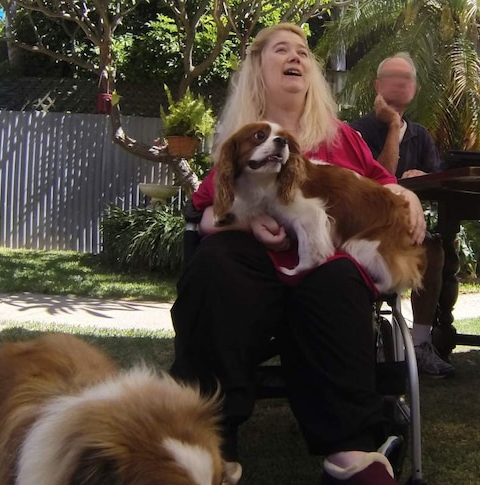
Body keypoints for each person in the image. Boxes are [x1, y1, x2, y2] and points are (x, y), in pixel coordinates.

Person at [170, 24, 427, 485]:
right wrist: (246, 221)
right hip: (251, 265)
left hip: (325, 266)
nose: (297, 57)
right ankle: (207, 442)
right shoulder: (241, 138)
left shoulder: (340, 136)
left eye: (304, 52)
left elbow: (381, 182)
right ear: (258, 70)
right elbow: (205, 213)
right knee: (214, 266)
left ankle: (352, 453)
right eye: (282, 50)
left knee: (336, 281)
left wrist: (406, 196)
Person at [350, 53, 455, 379]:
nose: (400, 83)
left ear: (414, 89)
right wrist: (394, 126)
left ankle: (421, 345)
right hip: (365, 235)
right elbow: (375, 181)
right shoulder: (358, 132)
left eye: (406, 78)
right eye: (392, 77)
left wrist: (422, 176)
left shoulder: (421, 136)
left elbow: (439, 184)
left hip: (407, 231)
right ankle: (367, 342)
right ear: (377, 86)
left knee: (435, 251)